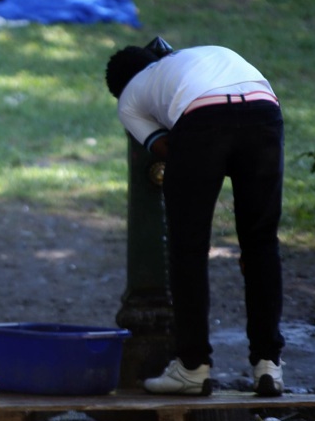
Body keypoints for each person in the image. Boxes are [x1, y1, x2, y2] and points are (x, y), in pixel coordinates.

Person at [105, 43, 286, 397]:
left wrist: (206, 155)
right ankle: (268, 365)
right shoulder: (200, 55)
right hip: (264, 109)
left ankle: (192, 366)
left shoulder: (128, 98)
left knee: (188, 250)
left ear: (119, 85)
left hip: (202, 120)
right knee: (261, 244)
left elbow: (166, 149)